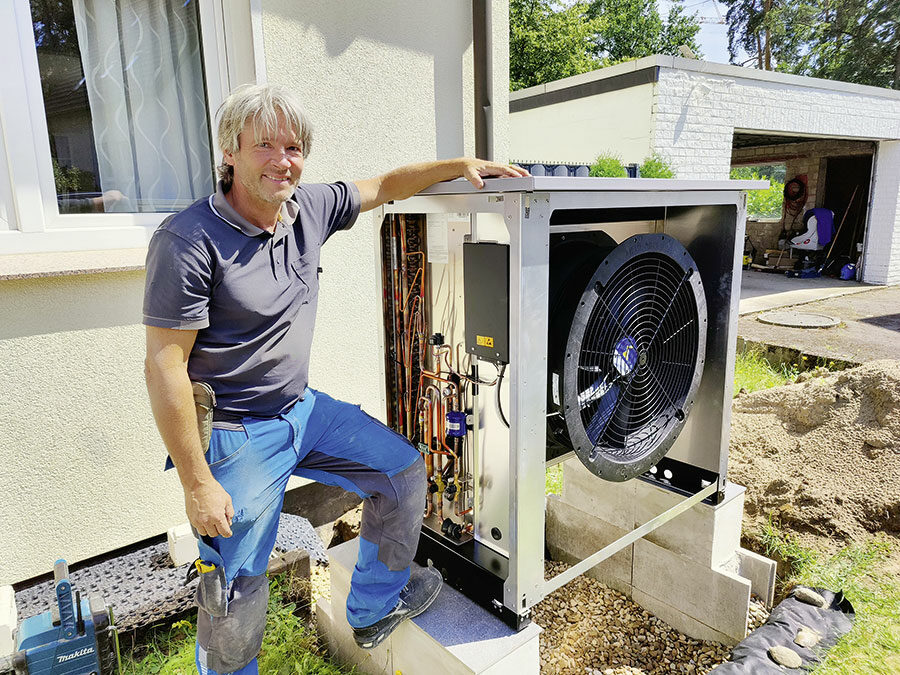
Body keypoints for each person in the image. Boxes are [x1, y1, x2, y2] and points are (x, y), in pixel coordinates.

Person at [143, 83, 527, 675]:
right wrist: (197, 484)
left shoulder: (308, 208)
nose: (282, 160)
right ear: (231, 152)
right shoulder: (188, 240)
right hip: (236, 432)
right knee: (236, 593)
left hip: (302, 409)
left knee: (401, 473)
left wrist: (461, 165)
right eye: (264, 145)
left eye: (293, 147)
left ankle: (373, 606)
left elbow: (381, 187)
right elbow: (165, 366)